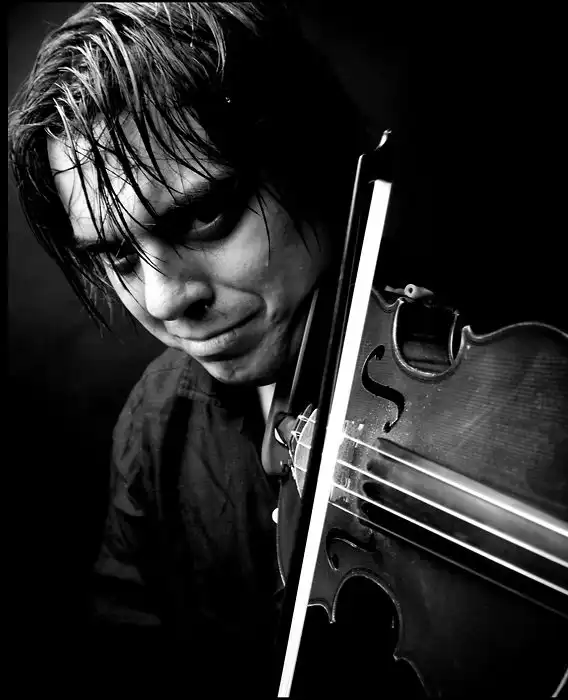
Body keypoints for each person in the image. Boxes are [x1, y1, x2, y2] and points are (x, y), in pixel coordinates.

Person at [8, 1, 372, 693]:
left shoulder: (514, 373)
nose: (165, 300)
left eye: (206, 214)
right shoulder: (157, 424)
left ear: (311, 158)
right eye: (118, 256)